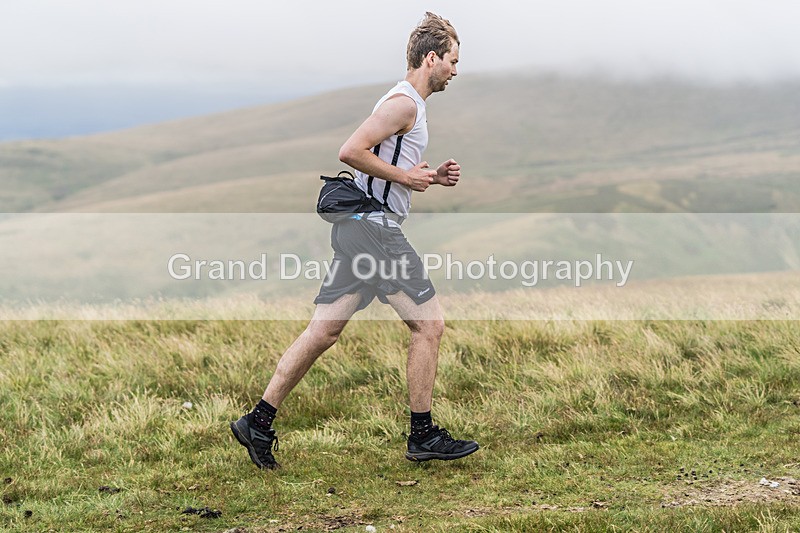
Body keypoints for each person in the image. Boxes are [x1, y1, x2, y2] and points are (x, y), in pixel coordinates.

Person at [230, 12, 478, 469]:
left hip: (359, 229)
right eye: (453, 61)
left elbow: (384, 165)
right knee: (429, 325)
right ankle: (422, 435)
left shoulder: (407, 104)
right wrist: (405, 176)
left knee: (323, 331)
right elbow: (350, 151)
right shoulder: (403, 104)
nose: (455, 71)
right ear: (431, 58)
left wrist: (428, 178)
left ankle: (257, 422)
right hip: (373, 228)